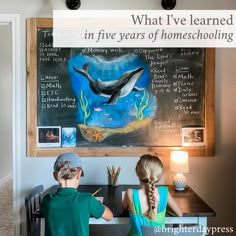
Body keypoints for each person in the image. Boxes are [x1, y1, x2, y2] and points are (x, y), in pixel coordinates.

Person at [40, 152, 113, 236]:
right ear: (79, 174)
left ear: (55, 176)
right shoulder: (87, 200)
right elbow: (109, 216)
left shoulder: (47, 200)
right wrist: (98, 204)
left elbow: (42, 213)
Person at [122, 154, 183, 236]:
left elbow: (124, 207)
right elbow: (179, 214)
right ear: (158, 175)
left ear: (137, 172)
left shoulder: (130, 193)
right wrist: (164, 207)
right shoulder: (164, 192)